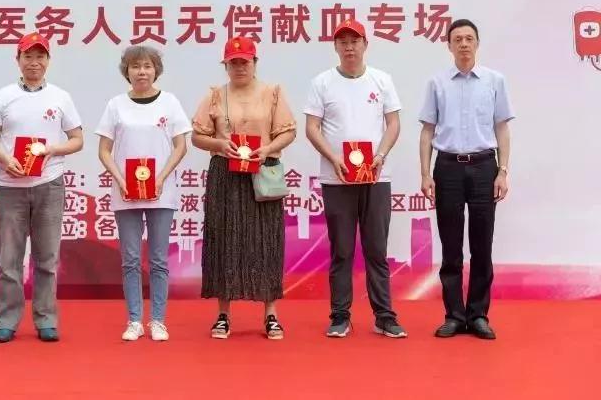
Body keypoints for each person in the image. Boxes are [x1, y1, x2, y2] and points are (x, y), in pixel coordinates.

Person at [304, 18, 407, 339]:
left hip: (375, 178)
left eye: (355, 41)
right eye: (343, 42)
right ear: (336, 47)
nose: (349, 48)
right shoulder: (322, 82)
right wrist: (333, 157)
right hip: (337, 180)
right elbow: (311, 128)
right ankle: (340, 316)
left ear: (365, 45)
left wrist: (380, 155)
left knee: (377, 250)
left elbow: (393, 123)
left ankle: (384, 316)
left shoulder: (382, 80)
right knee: (342, 251)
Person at [191, 36, 296, 340]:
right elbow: (196, 136)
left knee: (266, 240)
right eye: (233, 62)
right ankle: (223, 314)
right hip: (225, 174)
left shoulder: (272, 93)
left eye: (244, 62)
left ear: (255, 63)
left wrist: (268, 149)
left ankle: (271, 314)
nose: (239, 67)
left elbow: (289, 132)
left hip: (262, 171)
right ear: (225, 65)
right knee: (224, 240)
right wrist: (219, 144)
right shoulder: (215, 95)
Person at [0, 32, 83, 343]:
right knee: (9, 259)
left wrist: (52, 150)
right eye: (28, 56)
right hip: (10, 186)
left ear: (48, 61)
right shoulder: (3, 96)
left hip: (48, 184)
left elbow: (77, 140)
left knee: (47, 258)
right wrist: (5, 158)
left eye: (40, 57)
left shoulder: (61, 97)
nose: (34, 62)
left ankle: (46, 319)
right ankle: (6, 320)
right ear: (18, 60)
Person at [419, 19, 514, 340]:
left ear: (477, 44)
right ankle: (454, 315)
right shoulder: (437, 83)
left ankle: (478, 315)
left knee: (482, 244)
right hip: (447, 168)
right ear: (448, 45)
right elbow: (427, 131)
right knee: (450, 246)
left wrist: (503, 171)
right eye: (457, 39)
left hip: (485, 166)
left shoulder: (494, 81)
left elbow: (502, 128)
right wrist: (425, 174)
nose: (463, 44)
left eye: (469, 38)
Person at [96, 46, 191, 342]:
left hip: (161, 193)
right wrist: (120, 179)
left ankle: (158, 320)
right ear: (127, 71)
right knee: (131, 259)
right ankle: (135, 320)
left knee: (159, 259)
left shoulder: (170, 102)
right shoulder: (115, 105)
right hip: (126, 193)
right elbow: (104, 150)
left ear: (156, 70)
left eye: (147, 66)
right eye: (135, 66)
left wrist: (161, 178)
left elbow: (181, 146)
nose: (142, 72)